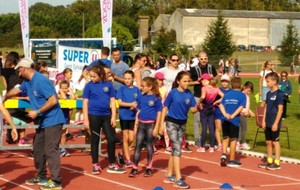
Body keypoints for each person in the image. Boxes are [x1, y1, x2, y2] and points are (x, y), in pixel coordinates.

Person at [4, 58, 65, 189]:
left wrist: (37, 112)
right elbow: (17, 90)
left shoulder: (41, 81)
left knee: (50, 150)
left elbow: (53, 101)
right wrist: (5, 97)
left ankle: (56, 181)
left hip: (53, 119)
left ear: (24, 69)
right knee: (37, 149)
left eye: (19, 70)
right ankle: (41, 176)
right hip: (42, 121)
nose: (18, 73)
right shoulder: (28, 82)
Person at [82, 65, 126, 175]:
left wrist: (113, 116)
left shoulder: (108, 85)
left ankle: (112, 164)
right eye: (91, 76)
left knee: (111, 139)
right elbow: (85, 103)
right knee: (95, 140)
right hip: (94, 116)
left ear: (101, 75)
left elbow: (112, 101)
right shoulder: (88, 86)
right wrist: (86, 119)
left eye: (94, 76)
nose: (92, 78)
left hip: (106, 115)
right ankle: (95, 164)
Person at [161, 71, 198, 189]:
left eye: (188, 81)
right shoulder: (173, 93)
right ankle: (178, 178)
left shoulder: (189, 94)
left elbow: (192, 110)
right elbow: (165, 107)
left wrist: (199, 107)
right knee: (177, 148)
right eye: (184, 81)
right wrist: (161, 123)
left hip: (182, 124)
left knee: (175, 149)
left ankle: (168, 174)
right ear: (178, 81)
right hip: (171, 122)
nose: (187, 83)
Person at [129, 77, 162, 178]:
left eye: (143, 86)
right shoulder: (141, 96)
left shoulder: (156, 98)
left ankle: (149, 168)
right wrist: (135, 125)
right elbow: (138, 111)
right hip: (141, 124)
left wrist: (157, 127)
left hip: (150, 124)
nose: (141, 88)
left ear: (150, 87)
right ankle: (134, 168)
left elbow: (159, 113)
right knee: (138, 145)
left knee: (149, 146)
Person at [189, 51, 217, 147]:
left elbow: (216, 80)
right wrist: (197, 82)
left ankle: (212, 139)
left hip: (210, 97)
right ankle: (198, 138)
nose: (204, 60)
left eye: (205, 58)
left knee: (211, 118)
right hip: (198, 96)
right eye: (201, 58)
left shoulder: (211, 67)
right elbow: (188, 82)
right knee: (197, 119)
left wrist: (213, 78)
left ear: (207, 59)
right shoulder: (193, 69)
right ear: (198, 59)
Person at [219, 77, 246, 168]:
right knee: (233, 139)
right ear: (241, 86)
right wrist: (233, 115)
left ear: (231, 85)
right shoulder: (242, 95)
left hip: (225, 119)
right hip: (234, 121)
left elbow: (221, 105)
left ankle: (223, 154)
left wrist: (225, 114)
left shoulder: (227, 94)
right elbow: (241, 107)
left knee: (225, 137)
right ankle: (232, 159)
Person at [258, 72, 284, 170]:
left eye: (268, 81)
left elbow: (280, 109)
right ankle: (269, 160)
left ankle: (277, 162)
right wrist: (263, 120)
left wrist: (276, 123)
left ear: (274, 81)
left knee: (275, 142)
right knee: (268, 142)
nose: (266, 83)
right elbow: (266, 107)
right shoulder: (268, 93)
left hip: (274, 122)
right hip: (267, 121)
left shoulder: (279, 94)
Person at [116, 70, 141, 168]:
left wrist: (135, 106)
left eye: (129, 79)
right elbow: (120, 102)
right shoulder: (121, 89)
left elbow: (139, 101)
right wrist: (130, 104)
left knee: (131, 138)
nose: (127, 81)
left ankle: (121, 154)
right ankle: (128, 159)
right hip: (124, 116)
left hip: (133, 116)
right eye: (125, 79)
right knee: (125, 138)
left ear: (133, 79)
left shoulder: (136, 90)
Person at [197, 73, 223, 153]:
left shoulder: (204, 88)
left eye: (202, 80)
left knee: (204, 127)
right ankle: (212, 146)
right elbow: (223, 96)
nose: (201, 82)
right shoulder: (216, 88)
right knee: (211, 128)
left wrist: (199, 102)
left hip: (204, 108)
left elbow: (203, 97)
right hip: (212, 108)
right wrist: (216, 101)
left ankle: (202, 146)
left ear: (205, 80)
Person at [57, 80, 75, 157]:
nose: (64, 90)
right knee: (57, 134)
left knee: (63, 133)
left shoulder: (68, 96)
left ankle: (62, 148)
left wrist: (70, 90)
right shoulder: (58, 95)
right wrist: (60, 91)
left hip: (65, 117)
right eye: (62, 88)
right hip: (58, 117)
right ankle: (56, 148)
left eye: (66, 88)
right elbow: (63, 98)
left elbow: (73, 97)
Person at [214, 74, 231, 151]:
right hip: (218, 111)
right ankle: (219, 144)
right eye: (223, 82)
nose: (224, 83)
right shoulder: (218, 89)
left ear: (229, 82)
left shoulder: (231, 91)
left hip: (227, 112)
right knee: (218, 128)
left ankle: (226, 143)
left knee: (227, 128)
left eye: (226, 82)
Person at [239, 81, 255, 150]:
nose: (249, 91)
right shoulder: (241, 95)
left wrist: (250, 111)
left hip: (245, 114)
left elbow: (246, 106)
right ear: (244, 88)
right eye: (248, 90)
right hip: (241, 114)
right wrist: (245, 112)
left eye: (250, 90)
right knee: (242, 129)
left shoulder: (247, 96)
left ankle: (241, 142)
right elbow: (240, 106)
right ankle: (242, 142)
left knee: (244, 129)